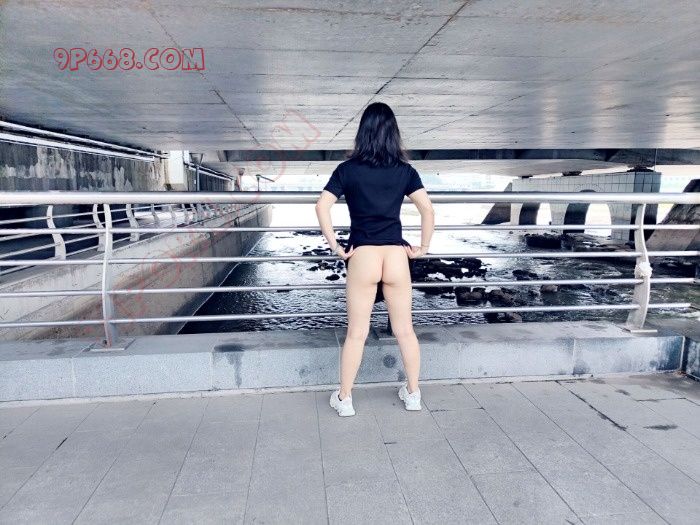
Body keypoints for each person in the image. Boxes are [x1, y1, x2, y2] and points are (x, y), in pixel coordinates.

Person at [315, 102, 435, 417]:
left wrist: (335, 246)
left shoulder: (347, 170)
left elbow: (321, 206)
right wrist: (423, 247)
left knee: (357, 332)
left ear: (362, 132)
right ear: (394, 133)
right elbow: (427, 209)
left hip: (363, 255)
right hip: (396, 255)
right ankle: (413, 394)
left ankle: (345, 399)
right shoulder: (405, 171)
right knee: (405, 330)